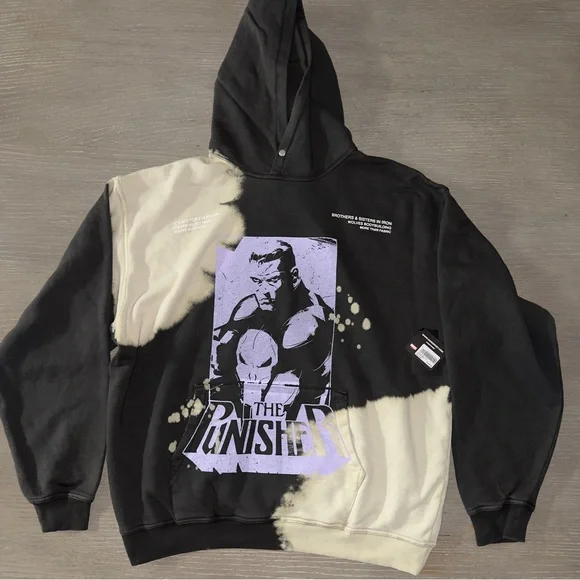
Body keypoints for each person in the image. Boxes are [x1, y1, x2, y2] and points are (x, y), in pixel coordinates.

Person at [211, 240, 333, 413]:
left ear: (293, 276)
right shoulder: (251, 306)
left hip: (306, 416)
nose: (263, 291)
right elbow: (219, 357)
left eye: (273, 280)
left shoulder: (310, 320)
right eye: (257, 281)